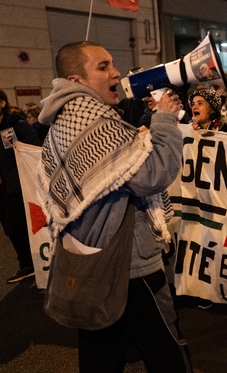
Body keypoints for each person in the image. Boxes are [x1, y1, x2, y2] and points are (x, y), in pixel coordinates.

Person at [36, 41, 193, 372]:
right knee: (167, 351)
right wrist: (164, 119)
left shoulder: (63, 118)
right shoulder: (94, 120)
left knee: (101, 353)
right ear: (76, 81)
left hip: (94, 258)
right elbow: (152, 175)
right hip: (129, 263)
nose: (116, 72)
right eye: (103, 66)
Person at [0, 87, 42, 283]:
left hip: (18, 185)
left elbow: (36, 150)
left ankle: (28, 264)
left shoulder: (18, 124)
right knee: (9, 228)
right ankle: (30, 262)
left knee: (17, 227)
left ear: (3, 103)